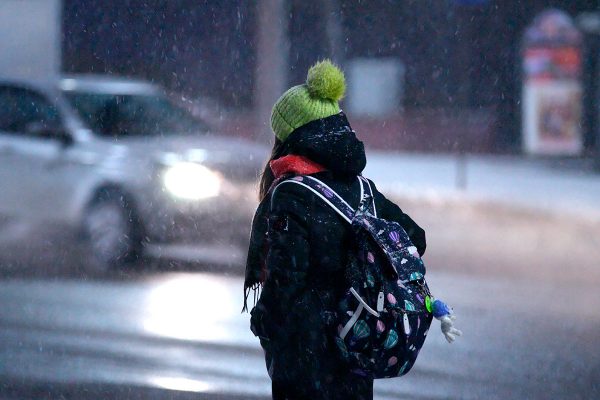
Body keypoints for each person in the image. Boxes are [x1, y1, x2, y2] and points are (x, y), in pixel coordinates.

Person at [243, 60, 428, 400]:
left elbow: (287, 275)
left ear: (289, 138)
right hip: (355, 343)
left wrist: (264, 320)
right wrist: (362, 269)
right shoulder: (363, 189)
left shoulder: (291, 193)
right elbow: (414, 238)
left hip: (305, 353)